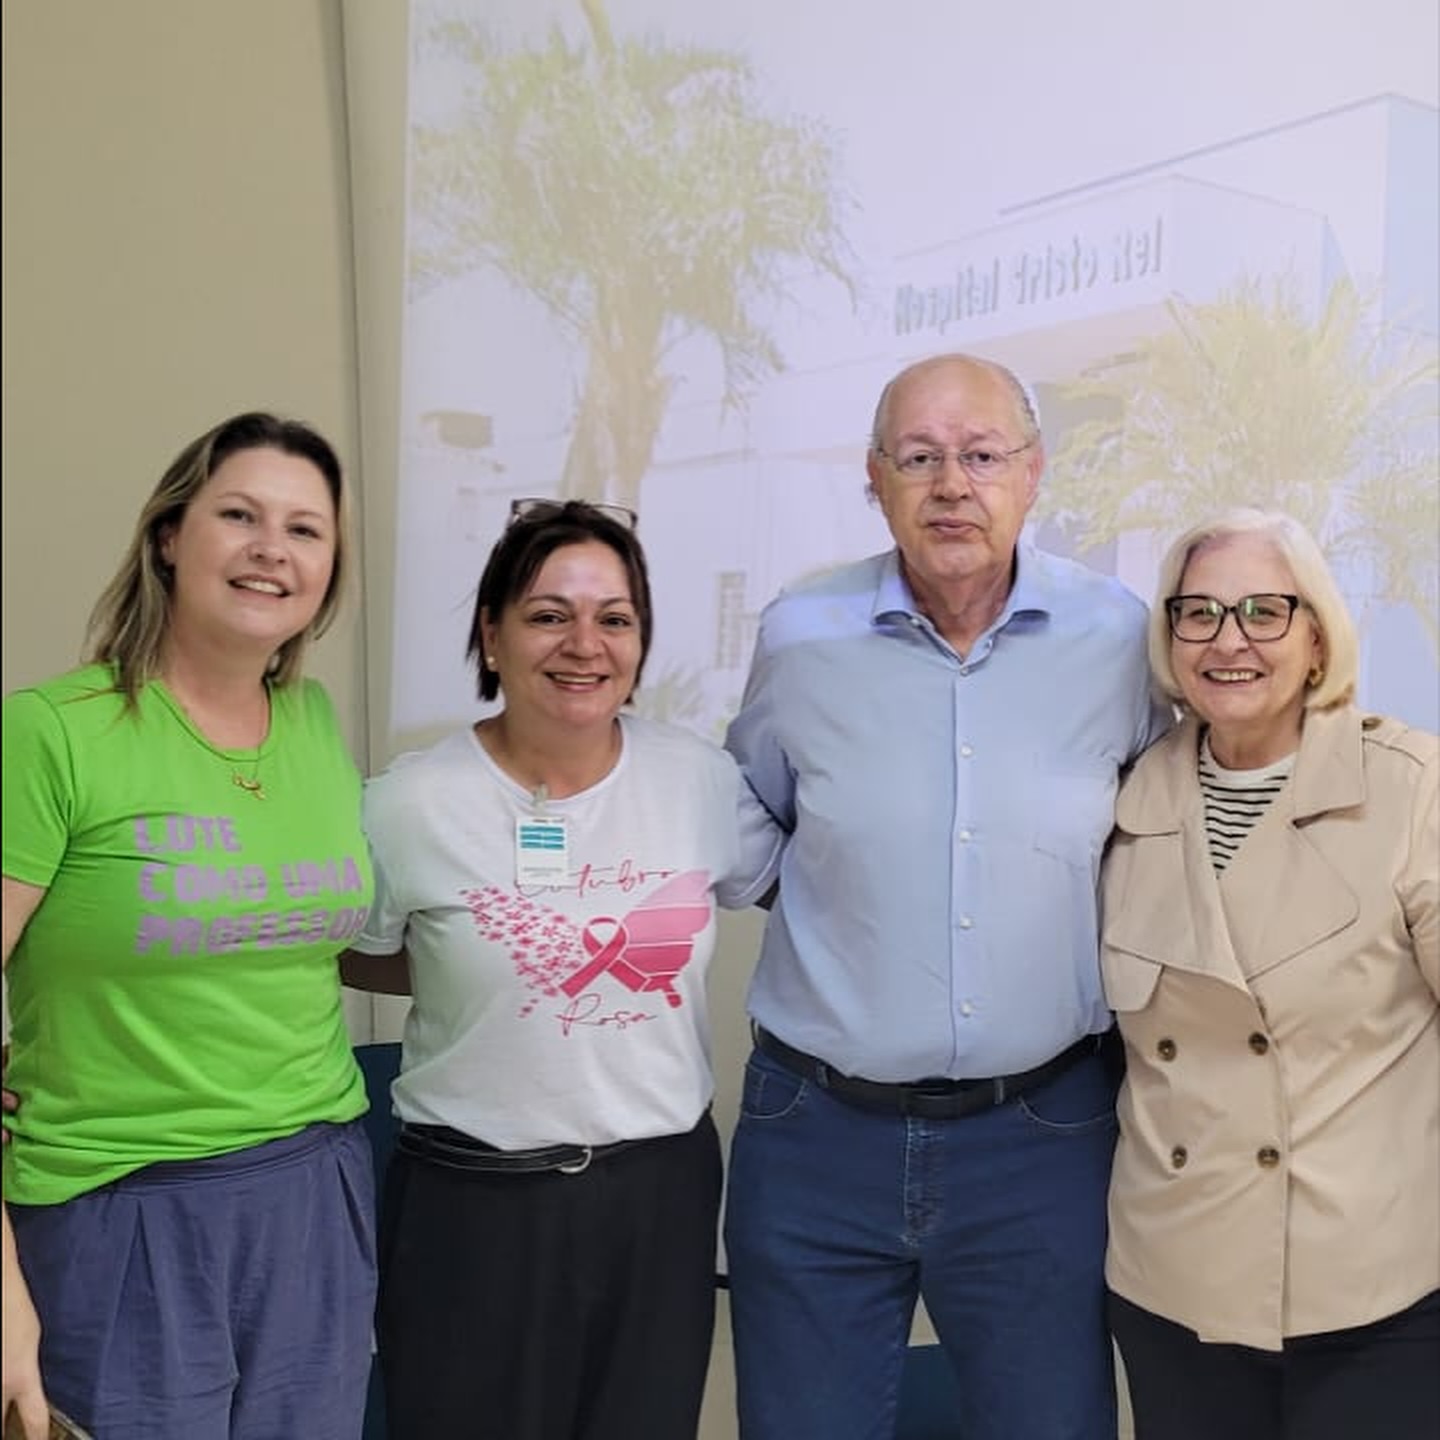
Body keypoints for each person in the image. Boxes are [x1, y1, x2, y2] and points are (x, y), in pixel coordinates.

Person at [721, 352, 1170, 1440]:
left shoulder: (1121, 638)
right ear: (875, 478)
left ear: (1034, 471)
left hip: (1043, 1136)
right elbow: (758, 821)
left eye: (981, 456)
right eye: (919, 458)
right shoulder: (800, 634)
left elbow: (1156, 838)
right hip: (818, 1133)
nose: (952, 486)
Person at [340, 498, 781, 1440]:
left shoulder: (699, 781)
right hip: (472, 1205)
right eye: (548, 615)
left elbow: (788, 889)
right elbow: (360, 954)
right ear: (491, 636)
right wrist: (488, 974)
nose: (584, 644)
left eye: (614, 618)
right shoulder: (409, 804)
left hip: (659, 1196)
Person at [1, 412, 377, 1440]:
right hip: (120, 1208)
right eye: (240, 515)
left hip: (315, 1192)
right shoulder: (52, 733)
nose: (272, 549)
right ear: (170, 535)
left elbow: (288, 936)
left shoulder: (312, 723)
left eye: (305, 529)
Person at [1100, 508, 1439, 1439]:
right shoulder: (1123, 802)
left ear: (1318, 636)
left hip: (1372, 1288)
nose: (1228, 641)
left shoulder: (1411, 788)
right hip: (1175, 1282)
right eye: (1198, 613)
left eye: (1264, 611)